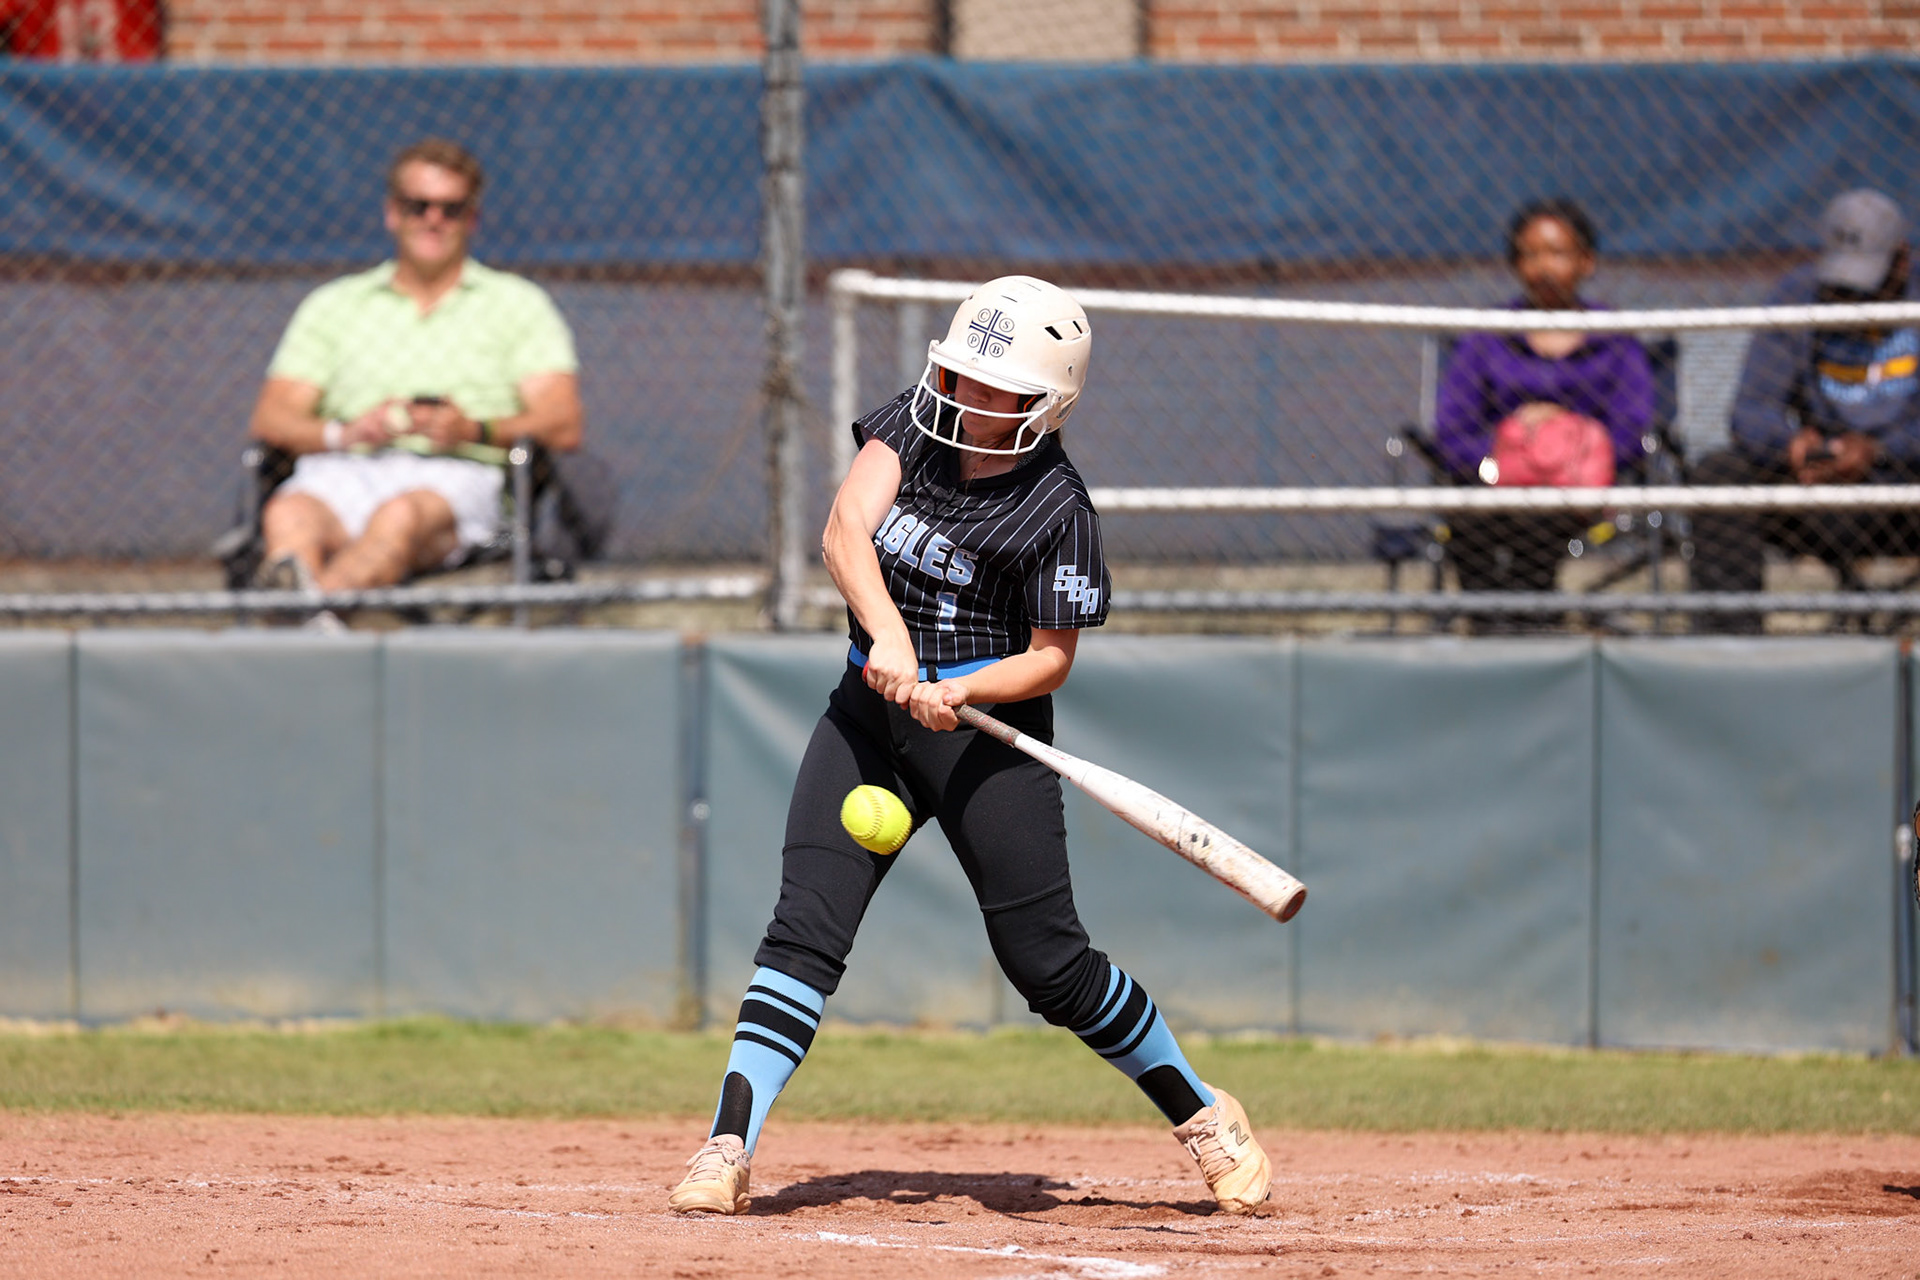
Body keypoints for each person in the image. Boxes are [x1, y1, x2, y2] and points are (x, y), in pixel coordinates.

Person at [666, 276, 1272, 1219]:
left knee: (1049, 966)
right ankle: (726, 1146)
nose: (963, 395)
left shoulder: (1058, 509)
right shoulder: (909, 426)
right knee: (803, 931)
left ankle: (1201, 1113)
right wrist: (893, 641)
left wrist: (959, 688)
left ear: (1046, 403)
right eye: (958, 372)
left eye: (992, 386)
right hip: (869, 716)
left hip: (989, 744)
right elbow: (843, 532)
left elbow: (1049, 662)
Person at [247, 138, 583, 602]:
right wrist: (345, 434)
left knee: (399, 516)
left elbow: (562, 422)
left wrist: (474, 428)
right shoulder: (332, 306)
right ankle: (315, 620)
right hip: (345, 466)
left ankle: (298, 630)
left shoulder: (518, 306)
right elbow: (273, 418)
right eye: (417, 206)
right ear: (392, 214)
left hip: (460, 476)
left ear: (472, 220)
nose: (433, 220)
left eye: (451, 209)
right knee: (288, 514)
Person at [1689, 189, 1920, 629]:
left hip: (1904, 487)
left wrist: (1879, 451)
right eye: (1843, 285)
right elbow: (1752, 409)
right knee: (1719, 473)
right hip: (1816, 488)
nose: (1852, 299)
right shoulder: (1798, 296)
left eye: (1866, 284)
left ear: (1902, 260)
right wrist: (1791, 446)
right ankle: (1728, 646)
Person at [1431, 198, 1656, 613]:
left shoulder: (1614, 339)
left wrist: (1566, 443)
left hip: (1584, 491)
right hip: (1497, 487)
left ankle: (1526, 623)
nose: (1543, 268)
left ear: (1586, 262)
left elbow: (1634, 428)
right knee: (1470, 521)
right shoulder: (1487, 336)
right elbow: (1452, 430)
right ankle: (1498, 627)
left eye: (1557, 253)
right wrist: (1503, 463)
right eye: (1530, 255)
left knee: (1539, 519)